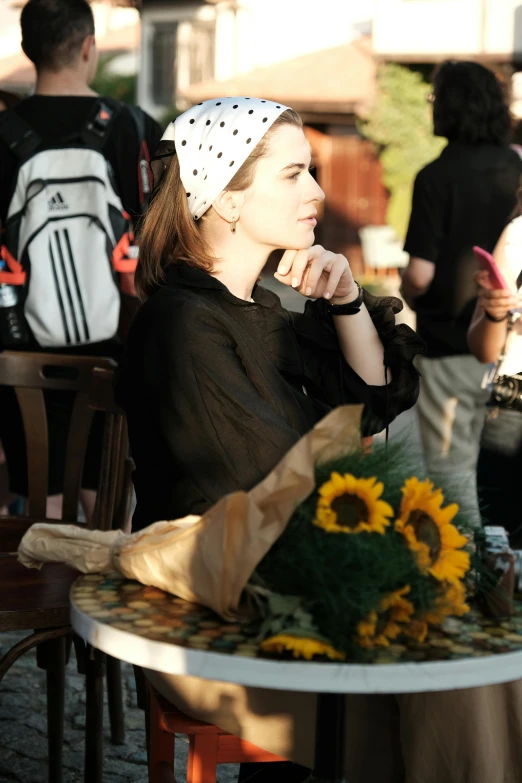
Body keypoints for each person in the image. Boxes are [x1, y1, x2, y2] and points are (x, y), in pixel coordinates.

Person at [115, 96, 423, 782]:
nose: (317, 192)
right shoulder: (185, 325)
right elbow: (276, 486)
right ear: (226, 200)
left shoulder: (262, 310)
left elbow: (374, 404)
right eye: (292, 175)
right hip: (210, 611)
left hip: (278, 587)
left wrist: (344, 296)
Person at [0, 0, 162, 520]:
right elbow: (164, 243)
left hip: (18, 357)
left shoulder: (3, 135)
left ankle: (40, 588)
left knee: (40, 499)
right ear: (89, 47)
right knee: (105, 494)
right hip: (114, 354)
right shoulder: (134, 128)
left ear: (29, 49)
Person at [400, 60, 522, 524]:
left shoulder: (435, 176)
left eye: (434, 98)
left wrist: (405, 293)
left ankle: (469, 584)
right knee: (502, 482)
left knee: (452, 476)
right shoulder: (517, 166)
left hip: (450, 344)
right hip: (511, 356)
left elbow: (421, 276)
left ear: (449, 106)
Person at [468, 216, 522, 545]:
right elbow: (483, 349)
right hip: (510, 408)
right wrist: (494, 313)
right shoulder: (517, 232)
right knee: (500, 550)